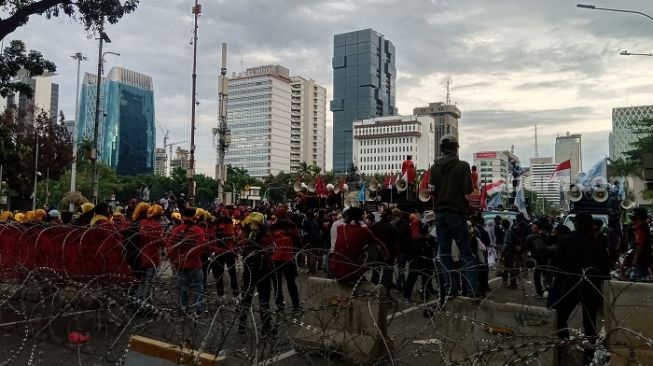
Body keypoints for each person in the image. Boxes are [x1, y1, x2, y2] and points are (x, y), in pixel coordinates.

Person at [550, 212, 610, 365]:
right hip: (590, 287)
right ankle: (588, 358)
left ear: (575, 224)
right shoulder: (598, 244)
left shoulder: (565, 241)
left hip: (569, 286)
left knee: (561, 317)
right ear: (591, 225)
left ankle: (562, 348)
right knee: (590, 324)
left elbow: (557, 263)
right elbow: (605, 272)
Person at [428, 134, 479, 299]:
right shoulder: (463, 166)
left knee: (444, 254)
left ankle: (450, 289)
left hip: (440, 214)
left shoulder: (434, 168)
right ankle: (472, 290)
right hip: (456, 213)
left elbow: (432, 190)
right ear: (456, 148)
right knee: (465, 252)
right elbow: (468, 189)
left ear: (442, 149)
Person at [237, 211, 274, 336]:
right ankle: (266, 327)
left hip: (249, 270)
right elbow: (272, 250)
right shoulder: (267, 235)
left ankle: (241, 325)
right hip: (263, 270)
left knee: (246, 297)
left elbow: (241, 248)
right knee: (264, 300)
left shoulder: (247, 234)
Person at [329, 207, 389, 283]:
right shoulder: (364, 231)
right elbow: (378, 242)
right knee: (375, 247)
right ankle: (360, 273)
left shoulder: (340, 228)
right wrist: (385, 252)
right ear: (362, 217)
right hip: (352, 273)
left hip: (335, 270)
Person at [167, 207, 206, 315]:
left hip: (180, 264)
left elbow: (170, 246)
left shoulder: (176, 230)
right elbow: (199, 248)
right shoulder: (199, 230)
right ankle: (199, 308)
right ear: (194, 216)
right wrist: (188, 256)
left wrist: (175, 259)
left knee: (182, 288)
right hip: (194, 264)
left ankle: (182, 308)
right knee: (198, 286)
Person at [270, 207, 302, 312]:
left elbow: (271, 243)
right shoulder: (292, 226)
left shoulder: (272, 227)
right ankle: (296, 306)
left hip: (275, 258)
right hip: (288, 258)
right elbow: (298, 239)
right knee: (291, 283)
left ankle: (280, 306)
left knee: (277, 284)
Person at [136, 204, 165, 308]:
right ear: (157, 215)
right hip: (152, 257)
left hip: (142, 255)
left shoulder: (142, 223)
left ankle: (138, 301)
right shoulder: (157, 226)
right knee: (149, 281)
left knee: (142, 280)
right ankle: (146, 304)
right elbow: (159, 242)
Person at [629, 207, 651, 280]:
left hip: (641, 258)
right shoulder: (645, 227)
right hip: (646, 256)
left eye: (633, 214)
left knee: (639, 278)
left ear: (638, 217)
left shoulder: (640, 229)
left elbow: (639, 245)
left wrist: (635, 258)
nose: (632, 216)